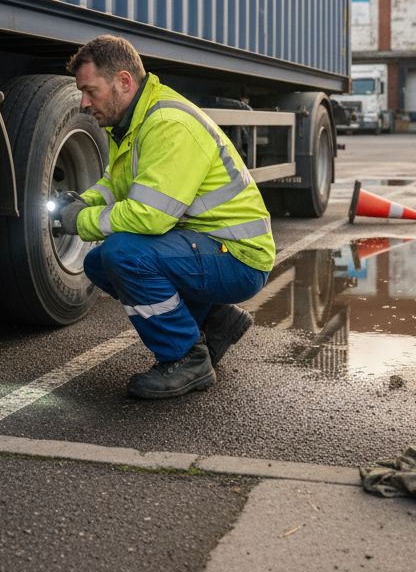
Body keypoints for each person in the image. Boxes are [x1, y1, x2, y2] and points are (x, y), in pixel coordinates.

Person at [54, 35, 275, 399]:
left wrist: (81, 221)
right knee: (99, 263)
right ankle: (214, 321)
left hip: (239, 256)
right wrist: (81, 200)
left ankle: (187, 359)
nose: (84, 102)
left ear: (124, 81)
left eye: (90, 90)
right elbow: (117, 184)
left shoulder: (169, 124)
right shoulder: (130, 122)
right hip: (207, 245)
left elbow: (150, 217)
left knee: (123, 255)